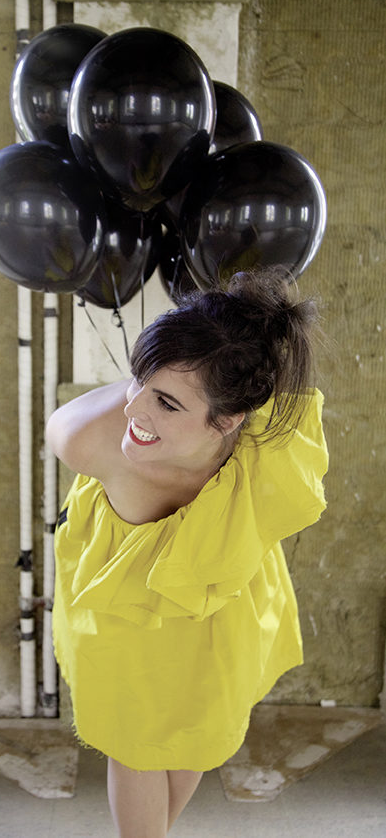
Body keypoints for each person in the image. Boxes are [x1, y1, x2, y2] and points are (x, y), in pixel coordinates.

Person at [46, 269, 328, 838]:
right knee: (138, 747)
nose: (134, 410)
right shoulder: (93, 438)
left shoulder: (268, 437)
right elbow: (115, 410)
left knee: (191, 737)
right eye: (138, 378)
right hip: (136, 614)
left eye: (167, 403)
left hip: (216, 613)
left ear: (229, 420)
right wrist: (161, 383)